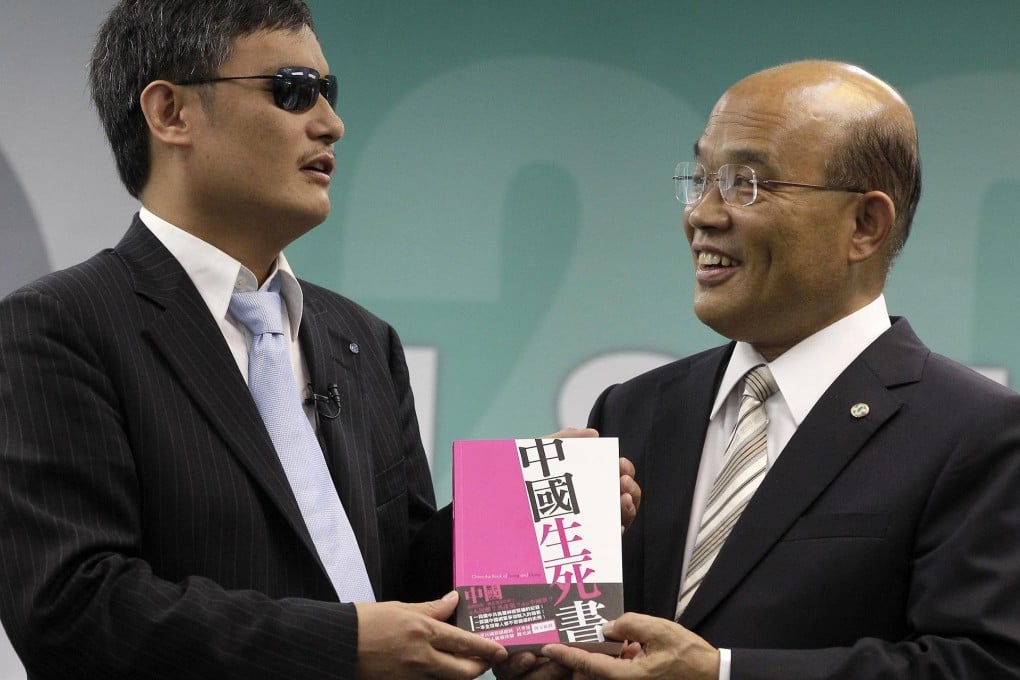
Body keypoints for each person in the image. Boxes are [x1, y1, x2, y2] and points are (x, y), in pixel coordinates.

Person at [0, 1, 520, 678]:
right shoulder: (59, 326)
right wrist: (341, 645)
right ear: (170, 114)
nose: (331, 124)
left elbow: (406, 581)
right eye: (294, 91)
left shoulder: (363, 339)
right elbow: (71, 609)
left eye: (328, 95)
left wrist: (519, 510)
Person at [533, 60, 1020, 679]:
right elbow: (574, 645)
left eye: (746, 185)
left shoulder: (980, 434)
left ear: (865, 225)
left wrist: (724, 673)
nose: (702, 215)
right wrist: (540, 648)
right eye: (701, 179)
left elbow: (984, 665)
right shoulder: (631, 409)